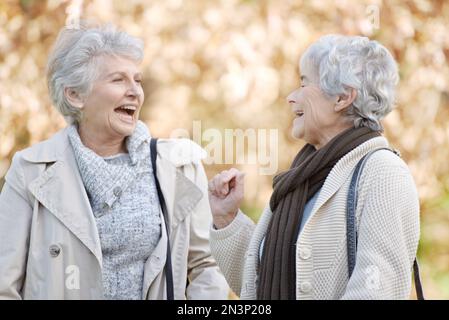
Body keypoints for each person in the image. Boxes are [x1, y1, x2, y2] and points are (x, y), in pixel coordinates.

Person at [0, 23, 228, 300]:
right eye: (118, 80)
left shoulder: (178, 166)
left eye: (137, 80)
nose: (134, 91)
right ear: (75, 95)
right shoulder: (30, 171)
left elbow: (207, 266)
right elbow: (4, 284)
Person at [208, 35, 420, 300]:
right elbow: (258, 284)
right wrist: (227, 219)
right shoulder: (303, 177)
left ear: (342, 97)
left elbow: (376, 291)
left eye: (303, 83)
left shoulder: (383, 173)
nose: (290, 97)